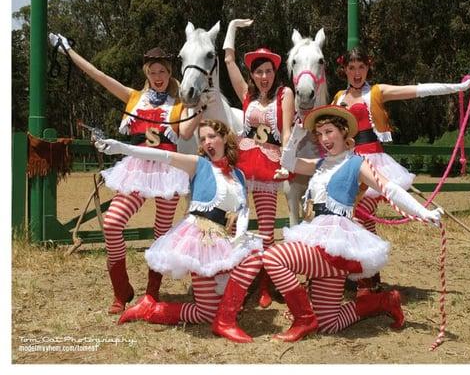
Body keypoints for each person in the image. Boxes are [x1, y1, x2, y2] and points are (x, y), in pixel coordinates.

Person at [262, 105, 443, 342]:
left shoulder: (357, 163)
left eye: (329, 131)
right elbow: (288, 163)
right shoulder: (318, 164)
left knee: (274, 258)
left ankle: (304, 318)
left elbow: (389, 188)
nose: (324, 139)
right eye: (320, 134)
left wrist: (422, 212)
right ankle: (382, 301)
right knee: (329, 324)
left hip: (337, 242)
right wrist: (296, 134)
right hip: (317, 237)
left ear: (343, 132)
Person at [48, 33, 200, 314]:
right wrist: (68, 51)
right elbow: (99, 76)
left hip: (166, 172)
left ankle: (151, 293)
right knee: (112, 222)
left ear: (169, 74)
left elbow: (188, 132)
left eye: (162, 72)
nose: (158, 77)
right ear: (147, 73)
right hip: (137, 170)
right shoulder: (134, 98)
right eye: (153, 72)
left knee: (161, 234)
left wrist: (198, 107)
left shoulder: (179, 105)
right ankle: (122, 290)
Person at [95, 119, 264, 343]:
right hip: (200, 240)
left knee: (256, 256)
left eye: (212, 136)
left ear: (224, 138)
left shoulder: (239, 175)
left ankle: (226, 310)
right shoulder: (198, 165)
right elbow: (161, 156)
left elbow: (243, 210)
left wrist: (238, 240)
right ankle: (149, 310)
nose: (207, 142)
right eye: (202, 139)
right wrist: (121, 147)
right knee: (207, 313)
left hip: (226, 239)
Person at [331, 47, 470, 294]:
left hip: (373, 162)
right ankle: (359, 271)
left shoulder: (377, 92)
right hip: (347, 162)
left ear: (368, 68)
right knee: (346, 217)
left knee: (362, 215)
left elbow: (418, 91)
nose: (357, 73)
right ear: (344, 69)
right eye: (352, 68)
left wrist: (458, 87)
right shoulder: (337, 97)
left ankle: (369, 273)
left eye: (362, 67)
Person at [222, 19, 295, 308]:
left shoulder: (284, 94)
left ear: (275, 72)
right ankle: (231, 276)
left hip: (268, 163)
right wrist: (232, 27)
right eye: (258, 71)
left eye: (268, 71)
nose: (264, 76)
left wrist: (287, 161)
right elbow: (228, 59)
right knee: (232, 222)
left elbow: (287, 131)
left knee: (265, 227)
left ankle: (265, 284)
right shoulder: (246, 94)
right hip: (242, 162)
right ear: (252, 74)